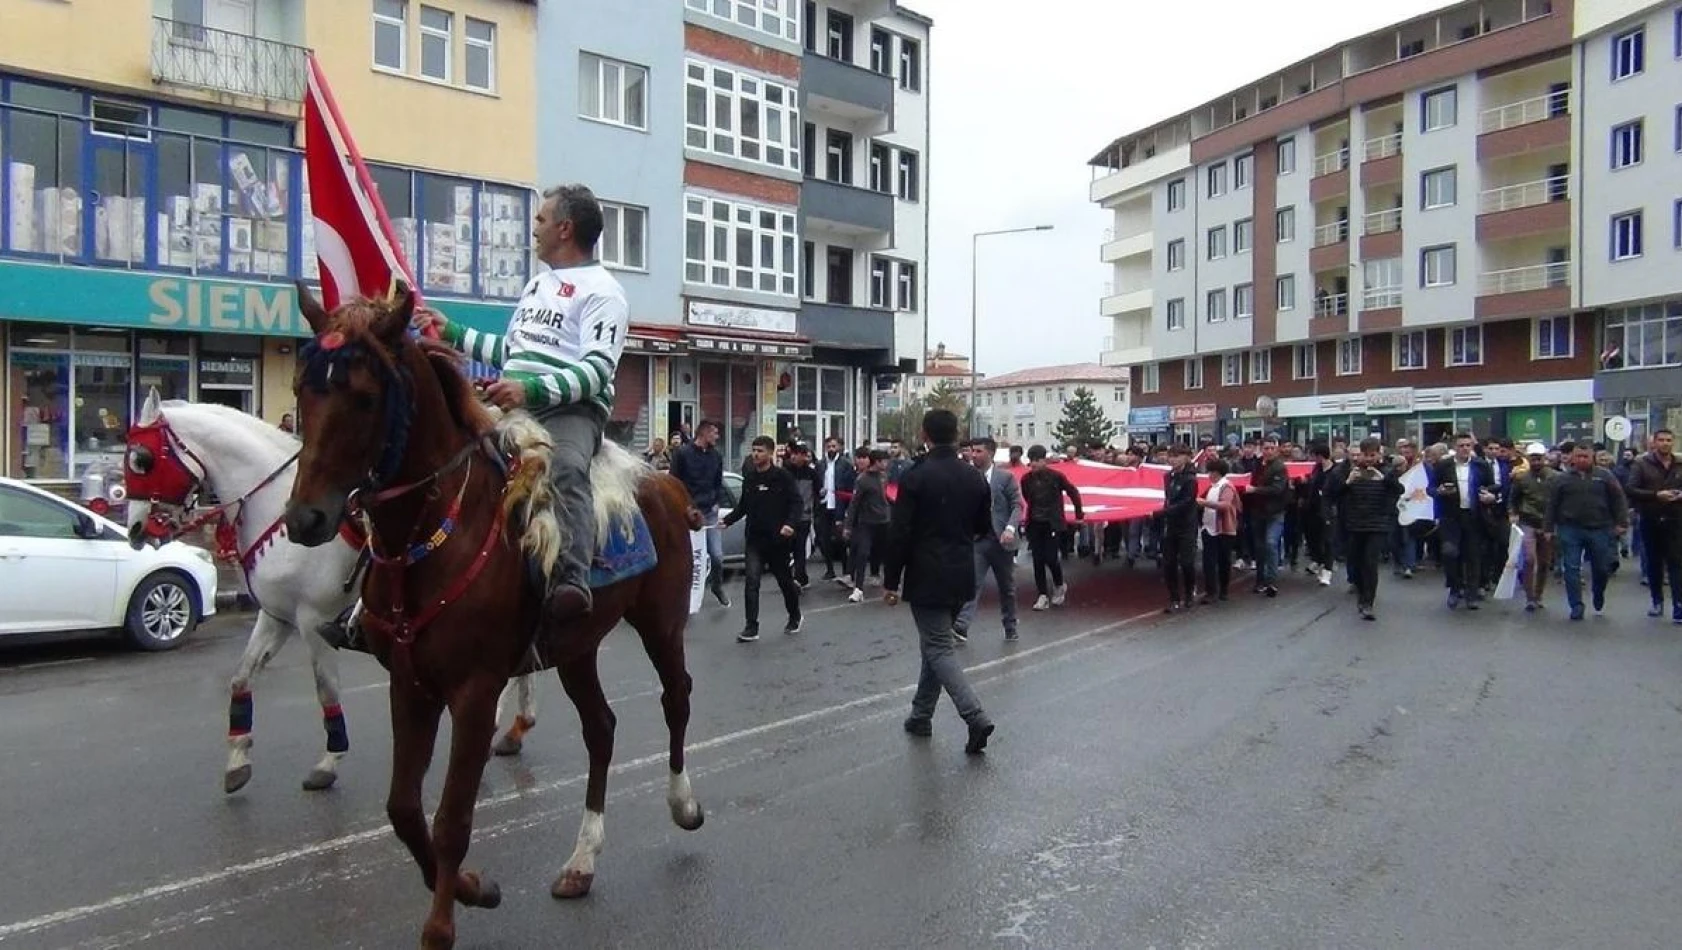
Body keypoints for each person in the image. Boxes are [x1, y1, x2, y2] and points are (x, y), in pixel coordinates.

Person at [414, 183, 627, 632]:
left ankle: (572, 580)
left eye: (541, 220)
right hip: (518, 405)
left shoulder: (604, 292)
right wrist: (450, 330)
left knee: (567, 467)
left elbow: (596, 373)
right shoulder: (536, 285)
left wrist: (526, 390)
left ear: (565, 229)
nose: (535, 229)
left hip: (571, 412)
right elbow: (511, 350)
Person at [883, 410, 996, 755]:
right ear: (957, 433)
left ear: (924, 434)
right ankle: (921, 715)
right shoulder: (974, 476)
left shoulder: (917, 477)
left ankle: (974, 715)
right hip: (961, 572)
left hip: (928, 572)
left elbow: (900, 531)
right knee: (934, 643)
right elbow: (981, 526)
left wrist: (891, 580)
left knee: (938, 647)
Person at [720, 436, 803, 642]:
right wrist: (727, 521)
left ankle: (795, 615)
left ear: (770, 453)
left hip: (777, 541)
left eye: (760, 451)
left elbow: (796, 503)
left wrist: (790, 524)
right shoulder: (750, 477)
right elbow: (743, 507)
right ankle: (751, 627)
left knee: (784, 582)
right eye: (754, 450)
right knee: (752, 582)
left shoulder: (782, 477)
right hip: (755, 540)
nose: (756, 454)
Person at [1546, 443, 1629, 621]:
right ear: (1572, 458)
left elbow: (1618, 499)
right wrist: (1548, 528)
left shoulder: (1605, 476)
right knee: (1571, 568)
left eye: (1586, 456)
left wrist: (1622, 522)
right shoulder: (1562, 479)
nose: (1582, 460)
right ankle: (1576, 605)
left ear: (1592, 457)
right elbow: (1552, 505)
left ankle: (1598, 593)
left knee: (1601, 567)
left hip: (1599, 528)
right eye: (1578, 456)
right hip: (1570, 528)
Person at [955, 436, 1024, 642]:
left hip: (1001, 540)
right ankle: (961, 626)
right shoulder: (967, 477)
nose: (973, 455)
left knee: (1007, 588)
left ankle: (1010, 625)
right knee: (972, 583)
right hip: (978, 540)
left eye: (978, 451)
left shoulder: (1005, 478)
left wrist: (1010, 528)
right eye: (972, 451)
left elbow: (1017, 505)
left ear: (990, 453)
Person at [1329, 437, 1404, 621]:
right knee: (1356, 561)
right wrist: (1347, 482)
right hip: (1355, 524)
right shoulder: (1352, 472)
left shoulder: (1387, 471)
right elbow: (1333, 494)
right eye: (1365, 455)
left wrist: (1385, 479)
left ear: (1380, 453)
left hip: (1377, 524)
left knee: (1371, 563)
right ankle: (1361, 591)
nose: (1369, 459)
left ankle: (1367, 602)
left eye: (1373, 455)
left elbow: (1400, 490)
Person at [1432, 432, 1499, 610]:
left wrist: (1490, 496)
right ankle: (1454, 588)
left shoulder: (1481, 465)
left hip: (1474, 516)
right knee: (1450, 552)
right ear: (1455, 447)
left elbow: (1492, 486)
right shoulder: (1443, 465)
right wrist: (1440, 491)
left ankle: (1471, 594)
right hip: (1451, 516)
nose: (1465, 449)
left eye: (1468, 445)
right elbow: (1430, 488)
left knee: (1473, 556)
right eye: (1461, 445)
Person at [670, 419, 730, 607]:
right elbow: (674, 481)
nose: (717, 437)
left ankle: (717, 585)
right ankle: (682, 594)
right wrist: (683, 505)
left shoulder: (716, 456)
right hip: (687, 512)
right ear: (703, 433)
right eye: (714, 433)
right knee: (687, 557)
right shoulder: (683, 454)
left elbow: (718, 483)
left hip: (709, 512)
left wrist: (716, 502)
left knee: (717, 555)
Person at [1624, 428, 1682, 623]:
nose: (1665, 443)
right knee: (1654, 562)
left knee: (1676, 562)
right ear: (1654, 443)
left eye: (1668, 440)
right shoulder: (1642, 463)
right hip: (1651, 517)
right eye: (1661, 440)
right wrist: (1656, 495)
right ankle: (1657, 600)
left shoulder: (1679, 463)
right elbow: (1631, 488)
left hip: (1675, 518)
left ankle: (1678, 605)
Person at [1019, 444, 1084, 610]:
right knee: (1037, 560)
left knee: (1051, 558)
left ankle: (1059, 584)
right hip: (1034, 523)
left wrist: (1078, 515)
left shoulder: (1056, 476)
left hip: (1052, 523)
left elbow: (1073, 492)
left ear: (1044, 460)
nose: (1033, 464)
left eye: (1037, 460)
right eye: (1031, 460)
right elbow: (1027, 498)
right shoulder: (1026, 479)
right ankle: (1042, 595)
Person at [1507, 442, 1559, 612]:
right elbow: (1513, 499)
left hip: (1547, 524)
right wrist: (1513, 513)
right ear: (1529, 459)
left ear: (1545, 458)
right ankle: (1529, 597)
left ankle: (1538, 595)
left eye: (1539, 458)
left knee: (1544, 562)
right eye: (1533, 459)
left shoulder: (1555, 477)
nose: (1536, 462)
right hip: (1527, 521)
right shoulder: (1521, 478)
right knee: (1529, 559)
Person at [1242, 436, 1291, 597]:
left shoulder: (1279, 467)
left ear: (1276, 449)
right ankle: (1260, 580)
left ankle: (1271, 581)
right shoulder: (1257, 464)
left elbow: (1277, 489)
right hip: (1258, 512)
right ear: (1261, 449)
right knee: (1259, 547)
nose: (1269, 451)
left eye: (1272, 448)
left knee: (1270, 543)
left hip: (1275, 512)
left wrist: (1255, 490)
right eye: (1266, 448)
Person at [842, 448, 891, 604]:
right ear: (876, 462)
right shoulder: (862, 480)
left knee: (889, 554)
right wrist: (848, 526)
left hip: (884, 521)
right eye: (884, 461)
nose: (887, 464)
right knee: (862, 554)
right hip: (866, 523)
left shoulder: (884, 477)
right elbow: (854, 504)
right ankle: (858, 589)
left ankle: (890, 586)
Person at [1157, 444, 1200, 613]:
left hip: (1187, 525)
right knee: (1169, 563)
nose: (1173, 459)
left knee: (1187, 562)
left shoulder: (1191, 479)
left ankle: (1189, 592)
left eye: (1177, 456)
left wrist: (1163, 512)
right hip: (1171, 525)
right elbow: (1168, 498)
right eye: (1171, 456)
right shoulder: (1168, 477)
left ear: (1186, 457)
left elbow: (1187, 502)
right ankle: (1174, 597)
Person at [1197, 457, 1240, 604]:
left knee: (1223, 560)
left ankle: (1223, 590)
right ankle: (1211, 591)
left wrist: (1204, 503)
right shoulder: (1211, 487)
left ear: (1217, 473)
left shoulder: (1226, 487)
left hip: (1224, 529)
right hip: (1209, 527)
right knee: (1208, 561)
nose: (1208, 475)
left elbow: (1225, 505)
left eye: (1210, 472)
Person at [782, 442, 823, 588]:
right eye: (792, 453)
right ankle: (793, 577)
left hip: (804, 517)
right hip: (786, 517)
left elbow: (819, 493)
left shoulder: (811, 474)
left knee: (800, 548)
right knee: (786, 548)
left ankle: (799, 578)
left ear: (804, 456)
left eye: (798, 453)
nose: (794, 456)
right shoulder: (785, 471)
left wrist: (814, 509)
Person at [816, 436, 854, 582]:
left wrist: (846, 508)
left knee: (841, 540)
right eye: (829, 446)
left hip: (839, 506)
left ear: (839, 447)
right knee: (824, 539)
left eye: (834, 446)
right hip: (824, 505)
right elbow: (817, 483)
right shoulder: (820, 464)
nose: (831, 449)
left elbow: (849, 488)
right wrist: (819, 492)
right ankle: (829, 569)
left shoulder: (845, 465)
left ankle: (846, 570)